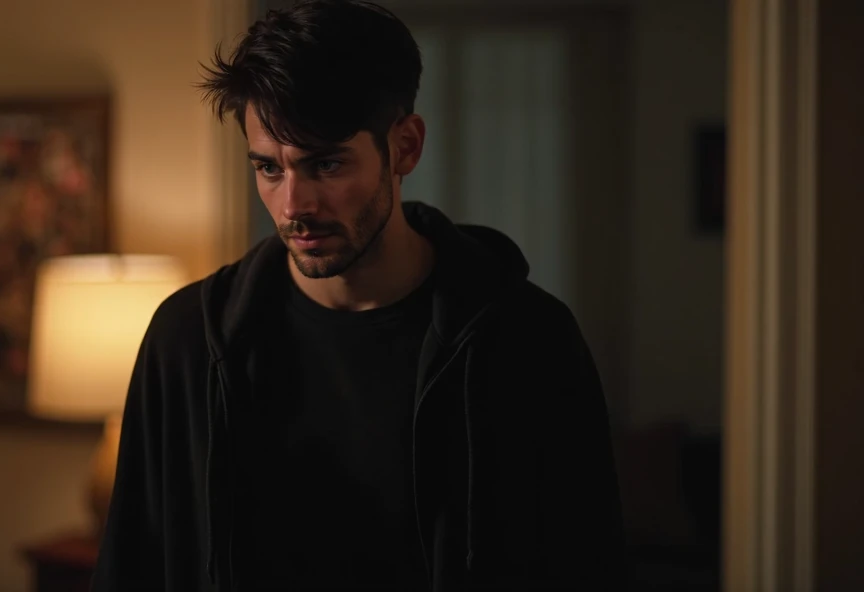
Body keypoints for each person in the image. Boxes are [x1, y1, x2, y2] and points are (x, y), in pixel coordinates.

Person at [91, 1, 625, 590]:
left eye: (325, 164)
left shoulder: (529, 339)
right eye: (269, 169)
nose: (294, 206)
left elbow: (587, 562)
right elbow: (132, 563)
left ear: (405, 147)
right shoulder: (189, 341)